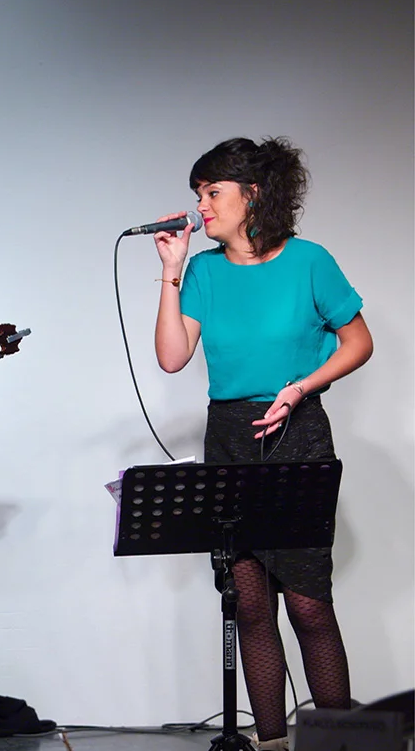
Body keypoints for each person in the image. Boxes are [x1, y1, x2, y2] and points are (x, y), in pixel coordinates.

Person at [152, 137, 373, 751]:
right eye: (198, 193)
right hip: (228, 436)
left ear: (253, 194)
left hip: (297, 433)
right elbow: (172, 358)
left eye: (212, 192)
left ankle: (340, 744)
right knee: (249, 607)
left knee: (306, 604)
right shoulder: (202, 270)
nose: (201, 206)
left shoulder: (309, 261)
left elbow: (359, 343)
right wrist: (171, 273)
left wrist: (301, 388)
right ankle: (271, 743)